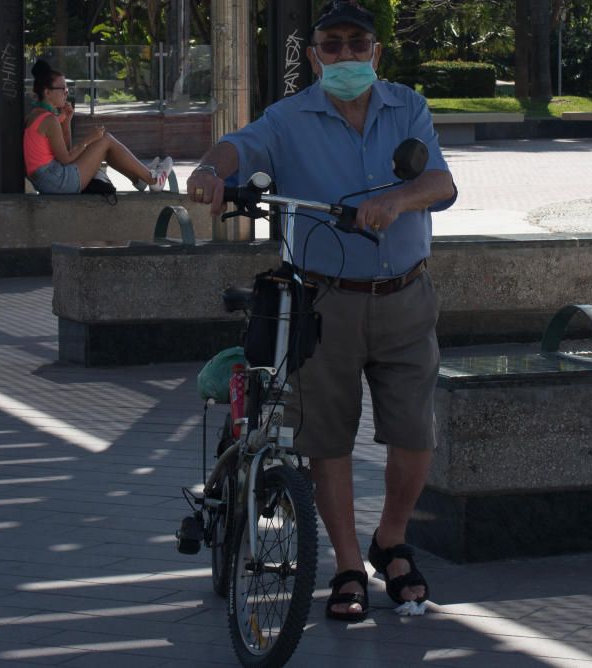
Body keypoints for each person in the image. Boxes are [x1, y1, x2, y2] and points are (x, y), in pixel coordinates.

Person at [187, 0, 456, 623]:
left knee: (416, 435)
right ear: (313, 57)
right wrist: (209, 169)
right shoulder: (288, 118)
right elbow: (237, 147)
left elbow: (440, 182)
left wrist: (395, 199)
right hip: (324, 301)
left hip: (406, 295)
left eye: (357, 44)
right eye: (330, 46)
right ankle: (343, 565)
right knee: (328, 440)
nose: (344, 56)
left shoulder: (408, 106)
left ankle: (390, 540)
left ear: (375, 53)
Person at [25, 60, 173, 194]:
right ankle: (154, 179)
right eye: (62, 88)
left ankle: (140, 177)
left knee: (104, 145)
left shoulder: (37, 115)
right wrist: (90, 139)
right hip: (57, 181)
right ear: (47, 92)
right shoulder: (50, 120)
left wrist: (67, 121)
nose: (66, 93)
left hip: (49, 180)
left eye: (67, 89)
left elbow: (67, 153)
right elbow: (66, 159)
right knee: (106, 140)